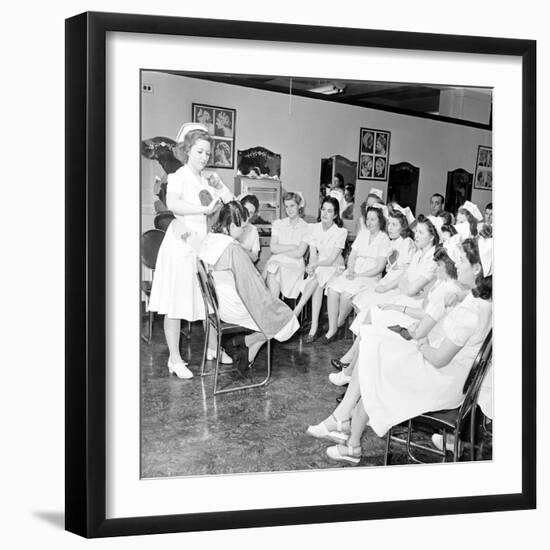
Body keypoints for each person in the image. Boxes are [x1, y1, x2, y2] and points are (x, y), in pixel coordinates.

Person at [307, 237, 492, 465]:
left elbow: (439, 359)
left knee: (377, 357)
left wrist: (421, 341)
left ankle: (348, 434)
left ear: (477, 269)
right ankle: (344, 424)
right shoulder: (484, 301)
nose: (457, 264)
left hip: (445, 381)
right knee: (374, 346)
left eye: (462, 261)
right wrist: (459, 296)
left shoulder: (470, 313)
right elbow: (468, 307)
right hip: (452, 374)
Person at [148, 122, 234, 379]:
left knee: (207, 301)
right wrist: (203, 210)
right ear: (187, 151)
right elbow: (173, 204)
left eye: (208, 153)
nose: (204, 157)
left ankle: (212, 348)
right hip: (180, 246)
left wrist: (221, 186)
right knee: (175, 303)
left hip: (200, 245)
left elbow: (230, 203)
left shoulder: (205, 179)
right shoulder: (178, 177)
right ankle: (174, 359)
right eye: (199, 152)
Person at [199, 202, 299, 376]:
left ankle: (246, 355)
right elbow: (252, 285)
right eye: (243, 227)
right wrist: (270, 300)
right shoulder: (232, 249)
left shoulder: (210, 240)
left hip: (218, 306)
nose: (244, 231)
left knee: (272, 315)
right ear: (231, 225)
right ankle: (244, 343)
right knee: (285, 317)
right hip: (235, 310)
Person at [324, 205, 390, 341]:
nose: (369, 222)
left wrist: (359, 275)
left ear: (380, 221)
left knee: (346, 295)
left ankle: (339, 322)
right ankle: (332, 329)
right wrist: (351, 270)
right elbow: (352, 256)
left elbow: (379, 267)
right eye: (368, 219)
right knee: (332, 289)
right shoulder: (363, 234)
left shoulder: (384, 239)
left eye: (373, 219)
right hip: (354, 271)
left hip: (370, 276)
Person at [293, 197, 348, 343]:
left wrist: (315, 266)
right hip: (320, 267)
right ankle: (314, 326)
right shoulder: (313, 228)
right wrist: (311, 268)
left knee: (319, 275)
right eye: (323, 209)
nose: (325, 213)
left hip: (335, 267)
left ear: (335, 215)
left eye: (329, 211)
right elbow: (313, 254)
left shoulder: (340, 232)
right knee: (317, 280)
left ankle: (298, 310)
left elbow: (330, 260)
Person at [263, 192, 309, 299]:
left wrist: (280, 249)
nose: (289, 210)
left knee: (272, 266)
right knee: (273, 267)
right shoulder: (278, 224)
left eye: (292, 205)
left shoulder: (306, 228)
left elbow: (299, 253)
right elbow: (273, 248)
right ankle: (274, 305)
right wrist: (292, 246)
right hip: (277, 261)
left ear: (299, 206)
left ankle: (271, 306)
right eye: (286, 206)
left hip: (294, 265)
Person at [238, 194, 261, 263]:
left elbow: (254, 257)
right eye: (245, 210)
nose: (247, 214)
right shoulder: (230, 226)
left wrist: (240, 248)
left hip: (245, 265)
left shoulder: (253, 230)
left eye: (251, 213)